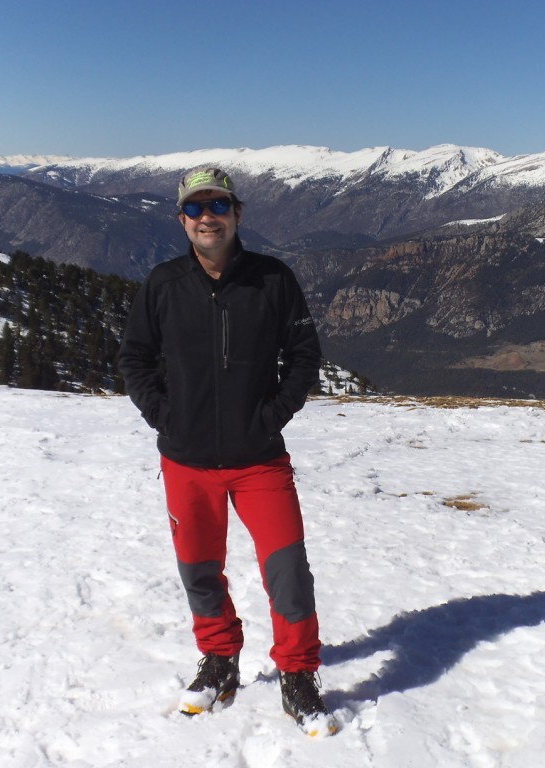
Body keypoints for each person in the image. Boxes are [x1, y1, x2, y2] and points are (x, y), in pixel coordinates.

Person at [118, 167, 335, 737]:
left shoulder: (272, 279)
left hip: (259, 458)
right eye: (194, 208)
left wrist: (271, 415)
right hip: (186, 461)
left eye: (217, 205)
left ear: (238, 213)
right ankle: (219, 660)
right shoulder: (164, 284)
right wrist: (166, 417)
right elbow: (135, 358)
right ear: (181, 219)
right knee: (199, 570)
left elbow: (304, 354)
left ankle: (298, 672)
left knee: (287, 569)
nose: (206, 217)